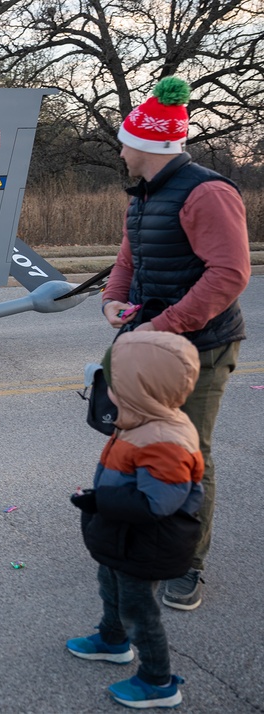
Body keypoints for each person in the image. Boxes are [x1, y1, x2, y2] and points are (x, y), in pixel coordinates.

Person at [100, 76, 251, 611]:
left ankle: (188, 564)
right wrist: (114, 300)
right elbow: (129, 255)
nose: (119, 148)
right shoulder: (145, 194)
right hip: (148, 341)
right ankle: (142, 534)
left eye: (123, 139)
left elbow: (230, 275)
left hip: (200, 347)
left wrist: (159, 328)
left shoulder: (207, 192)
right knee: (135, 439)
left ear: (144, 144)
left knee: (188, 453)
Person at [67, 330, 204, 709]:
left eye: (112, 383)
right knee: (110, 585)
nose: (105, 389)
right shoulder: (140, 421)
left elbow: (157, 503)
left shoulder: (166, 440)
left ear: (140, 390)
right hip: (124, 536)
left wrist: (100, 501)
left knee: (140, 611)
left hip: (147, 542)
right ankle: (112, 640)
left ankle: (158, 681)